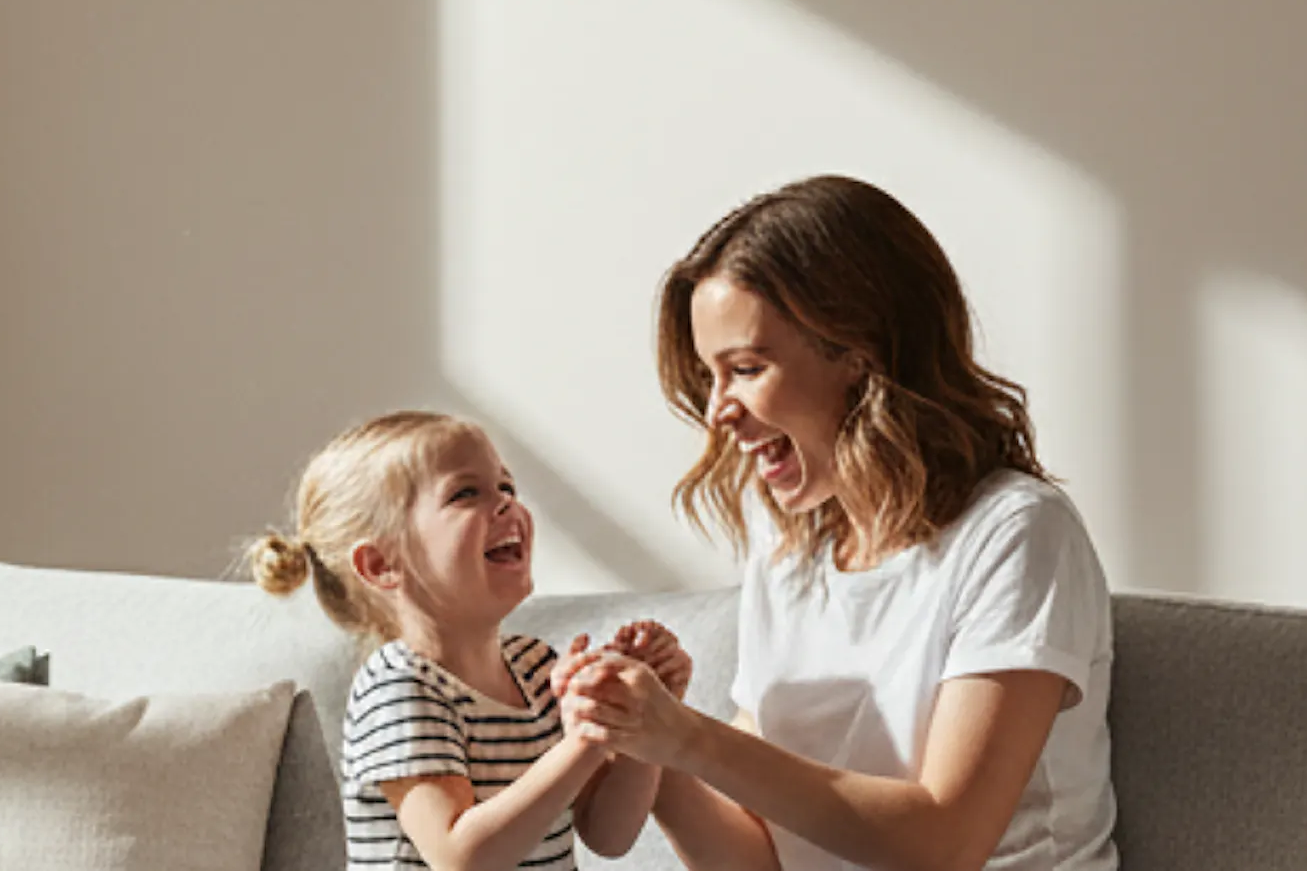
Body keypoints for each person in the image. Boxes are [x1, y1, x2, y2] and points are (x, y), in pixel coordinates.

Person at [559, 177, 1120, 871]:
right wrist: (649, 744)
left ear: (860, 353)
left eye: (746, 368)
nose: (717, 412)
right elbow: (757, 862)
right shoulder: (790, 547)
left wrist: (687, 737)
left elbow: (946, 844)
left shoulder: (1017, 534)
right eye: (710, 377)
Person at [252, 411, 698, 871]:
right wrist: (584, 739)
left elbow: (609, 835)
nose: (505, 504)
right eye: (466, 493)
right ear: (382, 565)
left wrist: (637, 718)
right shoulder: (399, 690)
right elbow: (462, 858)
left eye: (507, 487)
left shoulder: (535, 668)